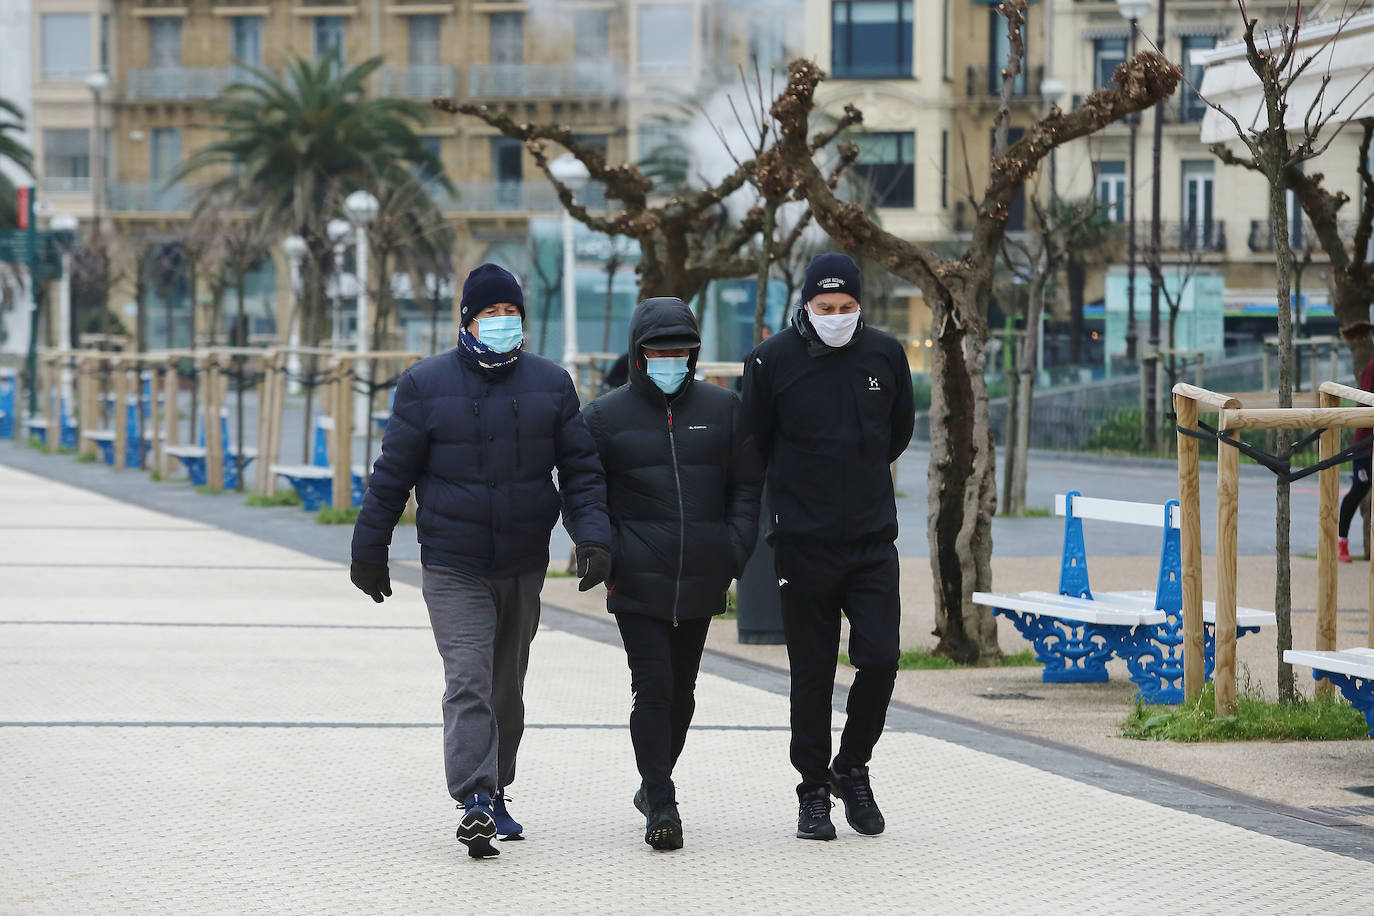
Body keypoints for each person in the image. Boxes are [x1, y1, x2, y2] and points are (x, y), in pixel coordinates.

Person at [349, 263, 612, 860]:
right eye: (490, 313)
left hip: (522, 561)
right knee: (468, 678)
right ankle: (474, 797)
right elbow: (392, 473)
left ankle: (497, 791)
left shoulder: (551, 383)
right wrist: (370, 547)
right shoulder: (424, 384)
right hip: (453, 562)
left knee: (506, 687)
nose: (502, 322)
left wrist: (593, 539)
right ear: (467, 321)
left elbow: (580, 471)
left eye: (511, 312)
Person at [742, 252, 915, 841]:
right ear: (806, 304)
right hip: (802, 544)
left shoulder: (886, 355)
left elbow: (898, 432)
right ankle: (813, 790)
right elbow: (754, 443)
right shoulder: (770, 361)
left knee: (881, 658)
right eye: (825, 306)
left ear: (860, 305)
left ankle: (852, 764)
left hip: (872, 540)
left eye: (846, 307)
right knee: (812, 673)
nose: (836, 316)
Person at [581, 297, 762, 851]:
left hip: (704, 572)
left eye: (680, 352)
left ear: (694, 353)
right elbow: (585, 493)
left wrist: (732, 550)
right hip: (636, 577)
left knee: (682, 693)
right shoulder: (603, 417)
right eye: (658, 353)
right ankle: (661, 799)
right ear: (638, 355)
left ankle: (651, 781)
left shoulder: (725, 409)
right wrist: (605, 550)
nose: (670, 361)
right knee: (654, 686)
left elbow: (746, 486)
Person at [1339, 356, 1374, 562]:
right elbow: (1366, 401)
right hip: (1366, 442)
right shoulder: (1371, 367)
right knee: (1360, 488)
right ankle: (1341, 540)